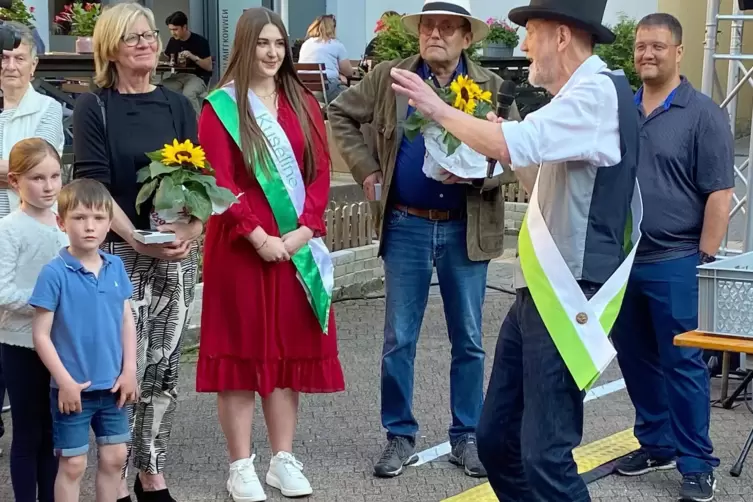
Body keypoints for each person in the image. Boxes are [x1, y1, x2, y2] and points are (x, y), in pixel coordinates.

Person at [391, 0, 641, 499]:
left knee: (546, 455)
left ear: (562, 38)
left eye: (532, 34)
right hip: (542, 289)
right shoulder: (579, 97)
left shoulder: (594, 94)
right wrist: (488, 138)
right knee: (497, 439)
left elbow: (514, 147)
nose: (524, 47)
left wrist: (440, 110)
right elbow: (531, 171)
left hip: (569, 296)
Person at [329, 0, 517, 480]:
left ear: (466, 38)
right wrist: (366, 168)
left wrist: (481, 175)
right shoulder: (391, 78)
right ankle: (399, 435)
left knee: (470, 340)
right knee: (398, 339)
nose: (435, 34)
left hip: (465, 228)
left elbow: (518, 152)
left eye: (447, 28)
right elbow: (340, 114)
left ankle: (467, 436)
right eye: (428, 27)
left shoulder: (492, 88)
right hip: (407, 224)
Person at [197, 7, 345, 501]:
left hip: (293, 247)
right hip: (241, 249)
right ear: (243, 46)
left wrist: (304, 230)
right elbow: (219, 180)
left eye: (278, 44)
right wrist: (257, 236)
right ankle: (241, 465)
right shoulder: (220, 107)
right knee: (241, 353)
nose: (271, 53)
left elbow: (320, 172)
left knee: (286, 352)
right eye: (262, 43)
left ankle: (283, 459)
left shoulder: (301, 101)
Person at [71, 3, 201, 501]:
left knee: (164, 368)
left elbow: (199, 182)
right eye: (133, 37)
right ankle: (116, 477)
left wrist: (188, 232)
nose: (147, 43)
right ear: (110, 49)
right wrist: (136, 240)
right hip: (120, 258)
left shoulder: (177, 104)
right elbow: (95, 188)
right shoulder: (94, 107)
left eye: (150, 35)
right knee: (124, 368)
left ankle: (152, 473)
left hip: (177, 255)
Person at [610, 13, 733, 502]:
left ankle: (697, 464)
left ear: (679, 52)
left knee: (683, 365)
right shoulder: (622, 109)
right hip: (625, 262)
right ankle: (655, 444)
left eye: (658, 46)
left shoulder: (703, 113)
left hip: (678, 258)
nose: (647, 54)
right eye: (641, 46)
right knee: (636, 359)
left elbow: (720, 194)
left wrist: (704, 258)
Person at [30, 178, 138, 502]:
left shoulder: (116, 266)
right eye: (79, 218)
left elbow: (126, 320)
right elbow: (40, 334)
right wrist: (64, 381)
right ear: (61, 222)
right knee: (74, 463)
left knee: (115, 457)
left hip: (114, 387)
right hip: (73, 391)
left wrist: (130, 369)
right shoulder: (54, 273)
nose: (89, 226)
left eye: (98, 218)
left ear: (109, 224)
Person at [0, 138, 69, 502]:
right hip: (22, 343)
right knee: (28, 433)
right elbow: (2, 289)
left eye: (55, 176)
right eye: (38, 178)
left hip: (61, 346)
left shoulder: (66, 224)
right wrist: (46, 305)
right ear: (15, 182)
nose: (49, 186)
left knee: (54, 433)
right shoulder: (9, 229)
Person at [0, 21, 64, 218]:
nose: (11, 66)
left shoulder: (48, 109)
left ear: (33, 65)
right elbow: (23, 173)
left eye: (19, 58)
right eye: (3, 58)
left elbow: (38, 168)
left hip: (28, 224)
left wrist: (25, 171)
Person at [162, 11, 213, 115]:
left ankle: (198, 125)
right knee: (160, 89)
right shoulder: (173, 41)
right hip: (179, 76)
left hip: (197, 77)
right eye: (171, 30)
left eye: (175, 29)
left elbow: (209, 67)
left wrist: (193, 57)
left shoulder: (200, 41)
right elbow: (168, 59)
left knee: (188, 94)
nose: (173, 33)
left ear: (184, 27)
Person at [297, 14, 352, 102]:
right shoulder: (336, 44)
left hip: (305, 88)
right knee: (354, 97)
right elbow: (348, 72)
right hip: (328, 87)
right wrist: (339, 75)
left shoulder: (306, 44)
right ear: (332, 28)